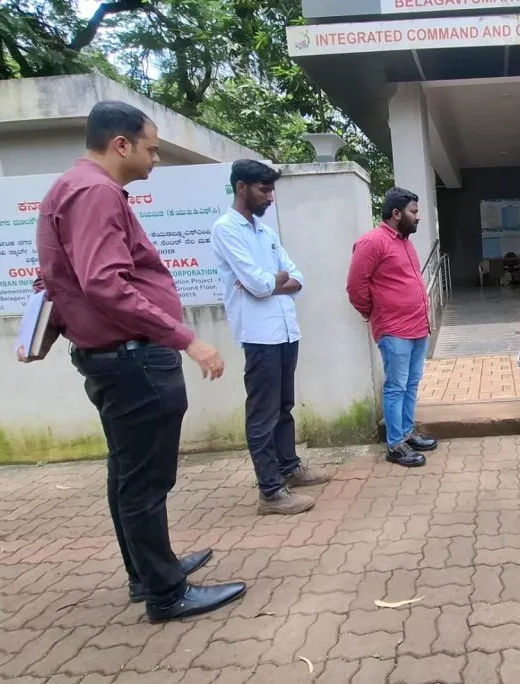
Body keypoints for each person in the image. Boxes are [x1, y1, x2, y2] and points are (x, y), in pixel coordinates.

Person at [21, 100, 246, 622]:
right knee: (145, 481)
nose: (156, 159)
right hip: (134, 359)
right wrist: (185, 339)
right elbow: (104, 283)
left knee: (128, 473)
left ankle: (148, 572)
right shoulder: (95, 192)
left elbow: (57, 276)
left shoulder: (69, 188)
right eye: (151, 149)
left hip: (115, 359)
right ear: (121, 145)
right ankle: (166, 592)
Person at [211, 160, 331, 516]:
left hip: (286, 330)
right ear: (241, 187)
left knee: (283, 407)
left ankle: (289, 468)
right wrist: (272, 281)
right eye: (264, 189)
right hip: (259, 335)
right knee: (263, 414)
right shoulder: (226, 229)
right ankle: (270, 491)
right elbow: (258, 283)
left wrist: (272, 281)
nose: (270, 197)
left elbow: (296, 278)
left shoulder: (265, 232)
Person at [346, 187, 437, 468]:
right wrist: (373, 312)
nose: (418, 217)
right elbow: (355, 286)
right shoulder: (372, 242)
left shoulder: (405, 242)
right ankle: (395, 445)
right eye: (413, 212)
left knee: (411, 383)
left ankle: (407, 434)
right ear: (396, 213)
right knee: (396, 386)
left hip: (417, 327)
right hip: (394, 329)